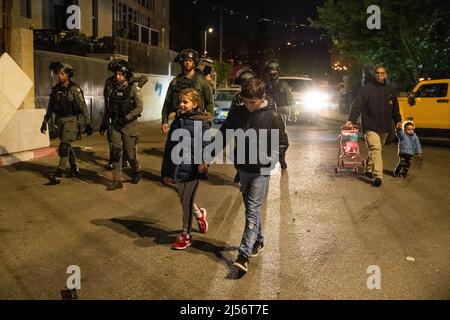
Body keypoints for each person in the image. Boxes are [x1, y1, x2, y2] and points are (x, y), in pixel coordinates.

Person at [217, 78, 287, 274]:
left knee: (252, 210)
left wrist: (271, 161)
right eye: (245, 101)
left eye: (252, 102)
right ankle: (258, 240)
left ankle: (243, 255)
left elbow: (283, 142)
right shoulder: (238, 113)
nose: (248, 106)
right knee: (251, 208)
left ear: (261, 98)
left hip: (261, 171)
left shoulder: (273, 116)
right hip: (243, 168)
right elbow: (223, 135)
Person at [161, 88, 211, 250]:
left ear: (195, 104)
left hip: (193, 170)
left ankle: (186, 235)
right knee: (184, 199)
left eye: (185, 102)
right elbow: (169, 148)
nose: (181, 105)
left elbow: (206, 146)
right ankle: (200, 215)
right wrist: (166, 172)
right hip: (177, 167)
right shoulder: (176, 121)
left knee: (186, 203)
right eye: (180, 101)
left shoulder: (201, 123)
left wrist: (203, 163)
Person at [345, 65, 402, 187]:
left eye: (382, 73)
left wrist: (398, 120)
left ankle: (369, 168)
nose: (379, 75)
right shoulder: (366, 90)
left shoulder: (390, 90)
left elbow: (395, 109)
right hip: (370, 125)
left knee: (376, 149)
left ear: (385, 74)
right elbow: (357, 105)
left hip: (385, 126)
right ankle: (378, 176)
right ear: (374, 74)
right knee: (376, 149)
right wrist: (351, 120)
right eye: (377, 73)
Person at [40, 62, 93, 184]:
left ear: (68, 75)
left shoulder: (74, 89)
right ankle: (74, 168)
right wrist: (44, 122)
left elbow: (83, 107)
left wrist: (88, 123)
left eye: (62, 73)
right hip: (59, 121)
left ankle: (59, 173)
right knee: (67, 146)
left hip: (71, 120)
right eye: (59, 73)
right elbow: (50, 108)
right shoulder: (56, 90)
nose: (60, 76)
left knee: (63, 146)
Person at [99, 62, 143, 191]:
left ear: (126, 75)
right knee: (116, 153)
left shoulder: (133, 88)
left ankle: (136, 170)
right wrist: (104, 123)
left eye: (120, 74)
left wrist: (126, 118)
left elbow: (139, 107)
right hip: (115, 125)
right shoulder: (112, 88)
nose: (117, 77)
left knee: (130, 155)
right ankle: (117, 180)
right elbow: (108, 107)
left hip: (129, 126)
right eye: (116, 74)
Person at [161, 49, 214, 135]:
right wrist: (164, 121)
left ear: (194, 62)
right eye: (185, 60)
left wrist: (208, 121)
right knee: (173, 146)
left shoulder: (202, 81)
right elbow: (167, 103)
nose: (188, 63)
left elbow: (209, 102)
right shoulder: (175, 82)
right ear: (182, 62)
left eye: (190, 60)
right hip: (179, 121)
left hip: (197, 121)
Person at [264, 60, 293, 170]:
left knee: (281, 137)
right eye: (271, 70)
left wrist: (291, 113)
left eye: (274, 70)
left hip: (280, 112)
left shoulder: (283, 84)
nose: (273, 72)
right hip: (267, 113)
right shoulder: (265, 85)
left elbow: (290, 99)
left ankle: (281, 157)